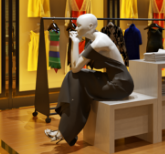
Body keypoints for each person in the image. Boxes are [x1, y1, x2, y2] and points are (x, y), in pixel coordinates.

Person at [44, 14, 134, 145]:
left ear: (90, 26)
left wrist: (75, 42)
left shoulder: (99, 42)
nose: (76, 28)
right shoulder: (93, 41)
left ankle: (65, 131)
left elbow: (75, 67)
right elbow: (76, 65)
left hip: (121, 84)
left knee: (76, 78)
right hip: (111, 79)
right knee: (72, 77)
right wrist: (76, 42)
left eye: (79, 25)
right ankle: (66, 131)